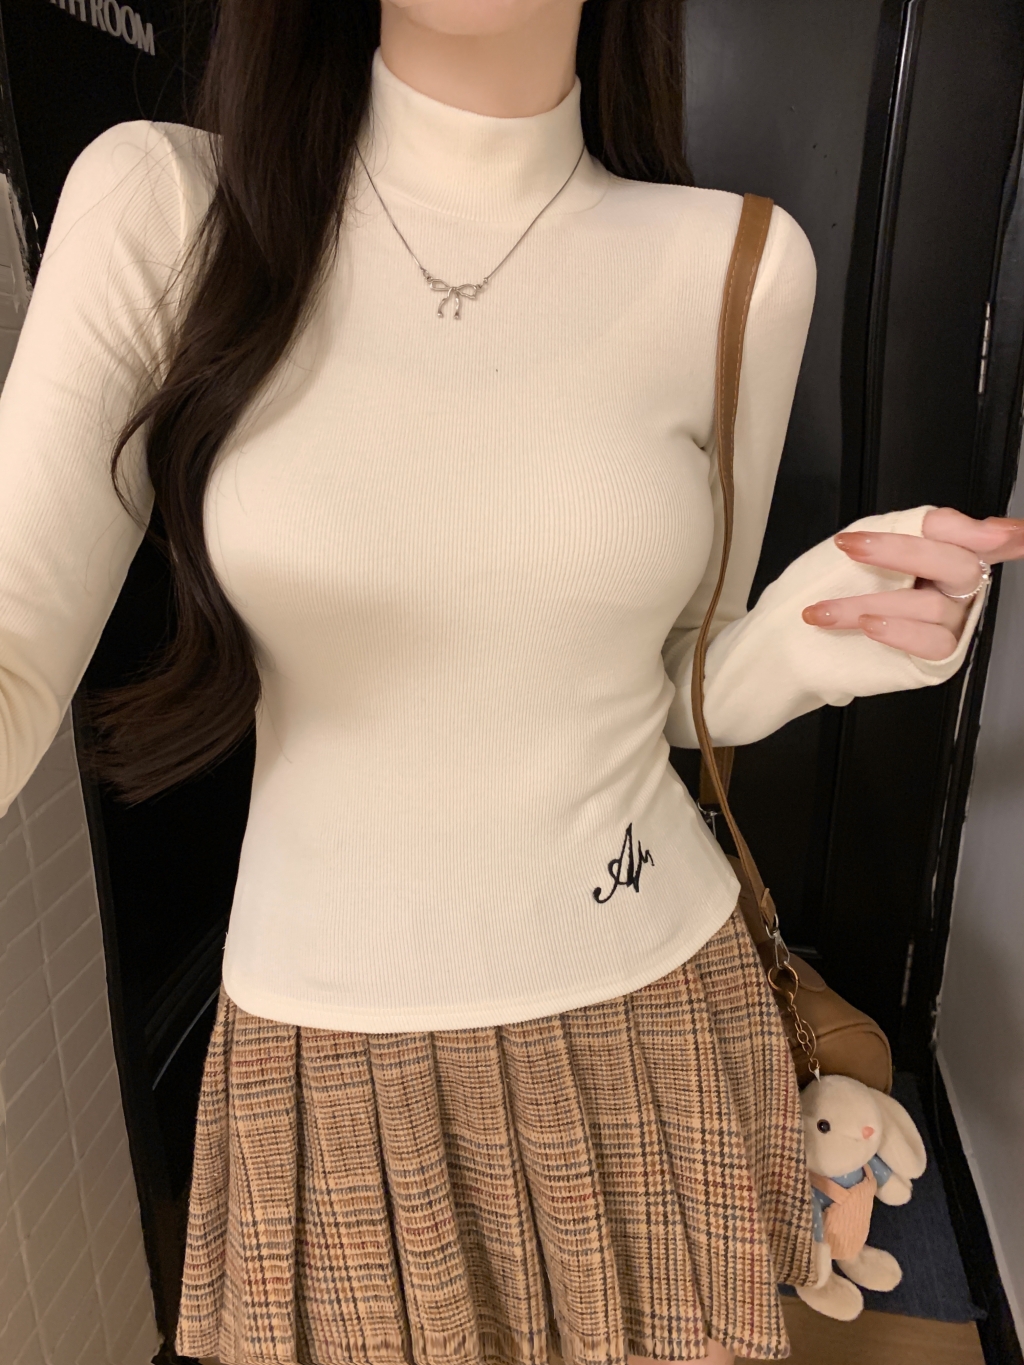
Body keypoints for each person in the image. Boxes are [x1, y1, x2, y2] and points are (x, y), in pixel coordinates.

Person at [1, 1, 1021, 1362]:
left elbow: (680, 688)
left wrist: (806, 639)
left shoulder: (739, 265)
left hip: (662, 1013)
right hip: (335, 1062)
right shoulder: (171, 207)